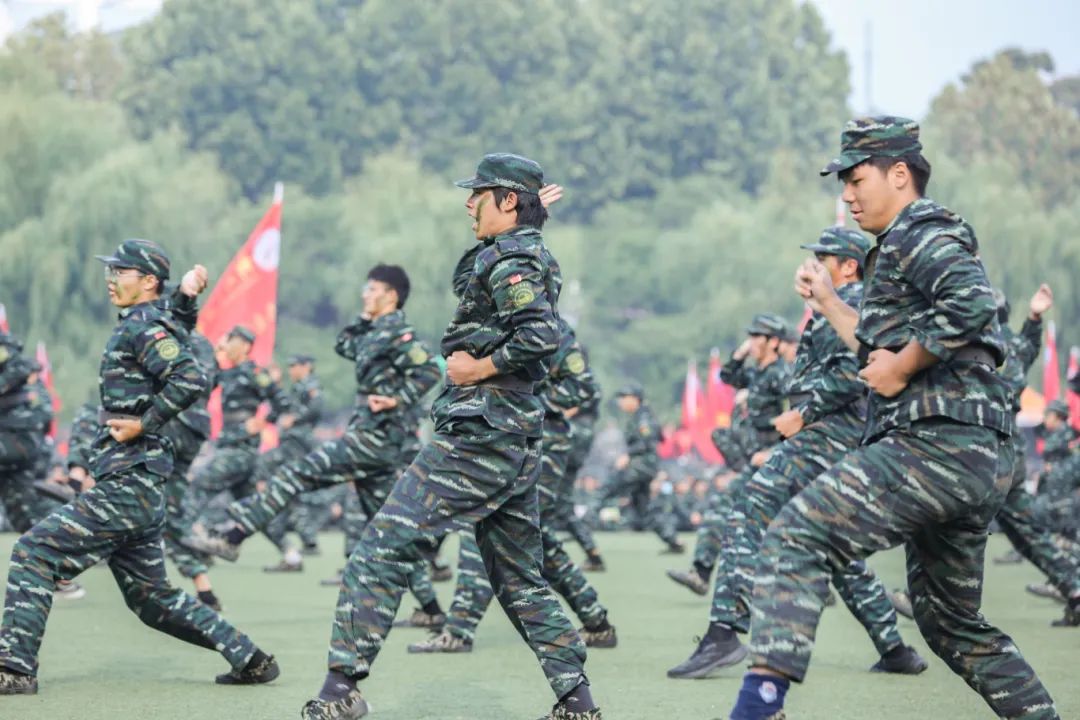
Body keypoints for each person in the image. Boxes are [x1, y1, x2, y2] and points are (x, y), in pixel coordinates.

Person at [725, 116, 1058, 720]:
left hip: (937, 444)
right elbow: (875, 346)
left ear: (899, 174)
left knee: (797, 532)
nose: (848, 196)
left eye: (857, 180)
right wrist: (829, 301)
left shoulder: (920, 230)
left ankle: (757, 708)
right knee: (950, 624)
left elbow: (972, 306)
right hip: (972, 456)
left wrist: (903, 366)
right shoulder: (898, 246)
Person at [300, 153, 600, 720]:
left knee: (382, 545)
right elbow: (478, 284)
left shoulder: (515, 259)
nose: (468, 203)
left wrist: (479, 368)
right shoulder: (514, 252)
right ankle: (576, 701)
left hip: (481, 433)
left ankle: (342, 689)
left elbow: (541, 334)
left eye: (479, 195)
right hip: (507, 433)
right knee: (518, 579)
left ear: (506, 200)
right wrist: (523, 221)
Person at [0, 239, 279, 696]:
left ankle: (14, 668)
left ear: (148, 281)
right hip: (140, 486)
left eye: (120, 272)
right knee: (152, 600)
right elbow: (178, 328)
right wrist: (186, 295)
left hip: (128, 483)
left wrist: (145, 423)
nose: (110, 280)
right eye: (110, 271)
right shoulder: (152, 320)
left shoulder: (143, 327)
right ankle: (250, 658)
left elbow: (189, 377)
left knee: (34, 553)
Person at [667, 227, 926, 680]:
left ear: (848, 266)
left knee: (749, 506)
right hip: (827, 431)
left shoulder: (854, 305)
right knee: (833, 546)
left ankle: (724, 632)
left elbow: (854, 374)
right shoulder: (834, 308)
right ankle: (895, 649)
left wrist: (804, 413)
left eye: (823, 259)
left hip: (828, 432)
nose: (813, 266)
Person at [597, 384, 683, 553]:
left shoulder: (643, 418)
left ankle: (582, 524)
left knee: (607, 488)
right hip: (643, 467)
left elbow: (646, 442)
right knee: (644, 508)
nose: (621, 402)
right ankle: (673, 541)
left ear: (635, 399)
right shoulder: (639, 416)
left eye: (624, 398)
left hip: (641, 467)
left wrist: (627, 455)